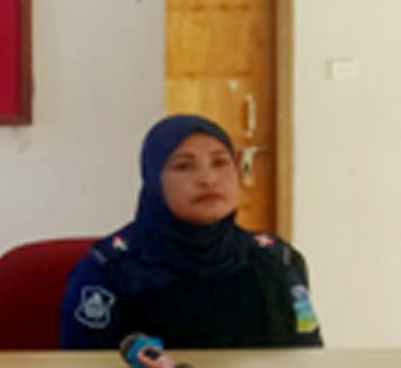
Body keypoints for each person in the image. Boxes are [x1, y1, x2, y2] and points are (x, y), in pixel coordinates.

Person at [61, 113, 321, 351]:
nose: (208, 179)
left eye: (220, 162)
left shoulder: (274, 261)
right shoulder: (109, 272)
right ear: (154, 181)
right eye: (184, 166)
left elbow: (306, 365)